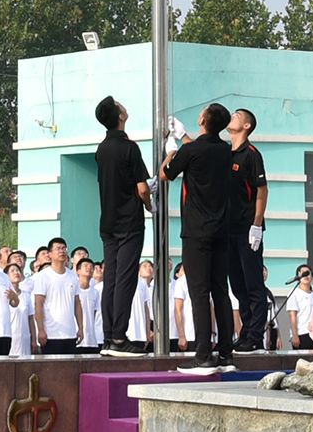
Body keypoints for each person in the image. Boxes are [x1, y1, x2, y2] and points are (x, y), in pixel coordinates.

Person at [159, 103, 243, 365]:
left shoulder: (190, 151)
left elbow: (165, 174)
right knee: (220, 291)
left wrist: (170, 152)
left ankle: (203, 354)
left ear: (204, 120)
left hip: (196, 233)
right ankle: (226, 352)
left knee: (199, 293)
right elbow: (201, 151)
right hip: (221, 231)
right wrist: (184, 137)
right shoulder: (225, 150)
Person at [94, 96, 149, 352]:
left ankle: (108, 336)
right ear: (120, 116)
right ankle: (118, 338)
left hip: (108, 222)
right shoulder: (129, 148)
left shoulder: (101, 149)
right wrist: (149, 205)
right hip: (129, 222)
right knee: (125, 279)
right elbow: (142, 188)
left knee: (111, 280)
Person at [224, 108, 273, 350]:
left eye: (236, 116)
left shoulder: (251, 154)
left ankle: (255, 336)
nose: (231, 117)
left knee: (253, 283)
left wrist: (256, 224)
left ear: (246, 126)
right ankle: (245, 331)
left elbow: (262, 190)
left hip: (247, 229)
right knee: (237, 284)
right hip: (228, 229)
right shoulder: (225, 152)